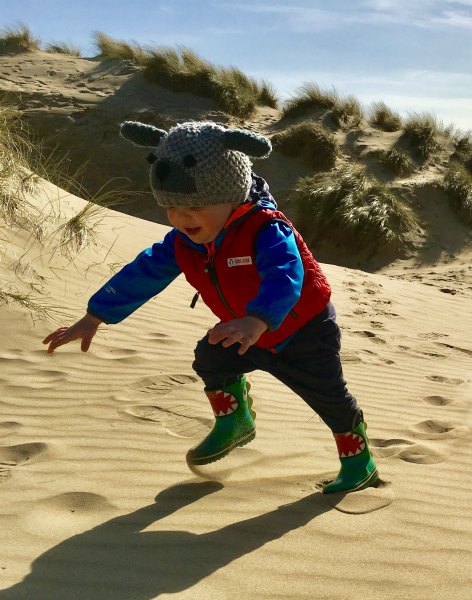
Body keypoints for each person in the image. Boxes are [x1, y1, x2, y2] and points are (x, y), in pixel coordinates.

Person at [42, 120, 378, 494]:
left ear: (232, 196)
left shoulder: (266, 229)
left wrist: (257, 319)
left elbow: (287, 275)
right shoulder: (186, 240)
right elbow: (146, 271)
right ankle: (235, 421)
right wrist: (96, 315)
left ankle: (358, 461)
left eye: (195, 206)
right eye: (171, 206)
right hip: (243, 331)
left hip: (302, 330)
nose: (182, 218)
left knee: (327, 396)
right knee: (211, 358)